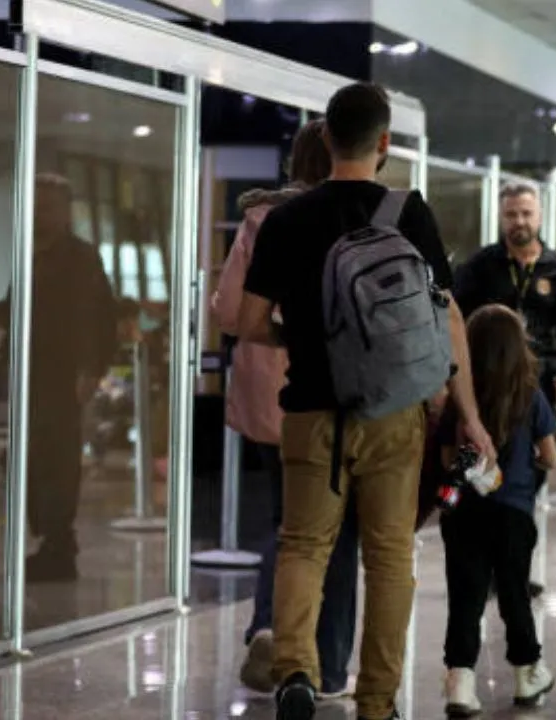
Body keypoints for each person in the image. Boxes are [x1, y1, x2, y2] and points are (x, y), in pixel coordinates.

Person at [237, 82, 494, 720]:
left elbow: (245, 321)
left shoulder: (286, 217)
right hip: (393, 414)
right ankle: (377, 700)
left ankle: (297, 672)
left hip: (309, 412)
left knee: (302, 543)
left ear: (325, 138)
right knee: (386, 556)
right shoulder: (409, 212)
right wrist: (468, 413)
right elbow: (449, 319)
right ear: (384, 143)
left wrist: (292, 331)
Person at [211, 119, 359, 699]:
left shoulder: (259, 218)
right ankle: (328, 663)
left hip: (263, 396)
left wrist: (276, 329)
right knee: (335, 528)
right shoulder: (350, 218)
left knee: (286, 519)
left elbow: (227, 310)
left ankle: (266, 627)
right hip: (330, 393)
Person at [0, 174, 117, 582]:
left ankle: (58, 543)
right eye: (36, 205)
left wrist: (91, 369)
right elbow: (15, 307)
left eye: (48, 206)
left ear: (64, 212)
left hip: (61, 376)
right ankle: (51, 537)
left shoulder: (81, 258)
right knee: (31, 460)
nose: (40, 214)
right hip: (29, 372)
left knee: (55, 462)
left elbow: (98, 316)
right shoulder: (31, 254)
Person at [452, 181, 556, 601]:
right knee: (475, 476)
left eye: (526, 213)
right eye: (511, 214)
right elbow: (455, 322)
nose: (519, 222)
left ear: (539, 216)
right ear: (501, 217)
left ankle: (511, 570)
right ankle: (481, 567)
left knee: (526, 484)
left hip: (537, 395)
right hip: (482, 398)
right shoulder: (481, 268)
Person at [439, 305, 556, 716]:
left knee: (465, 598)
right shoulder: (531, 396)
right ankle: (528, 673)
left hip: (463, 515)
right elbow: (551, 456)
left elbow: (445, 459)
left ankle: (460, 682)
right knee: (514, 594)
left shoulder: (458, 401)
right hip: (513, 514)